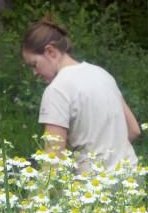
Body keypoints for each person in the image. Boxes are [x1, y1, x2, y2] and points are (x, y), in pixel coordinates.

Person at [20, 17, 141, 176]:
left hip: (92, 189)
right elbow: (133, 130)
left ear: (51, 51)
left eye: (34, 65)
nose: (34, 73)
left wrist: (36, 197)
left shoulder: (57, 90)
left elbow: (53, 161)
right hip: (131, 178)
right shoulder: (101, 74)